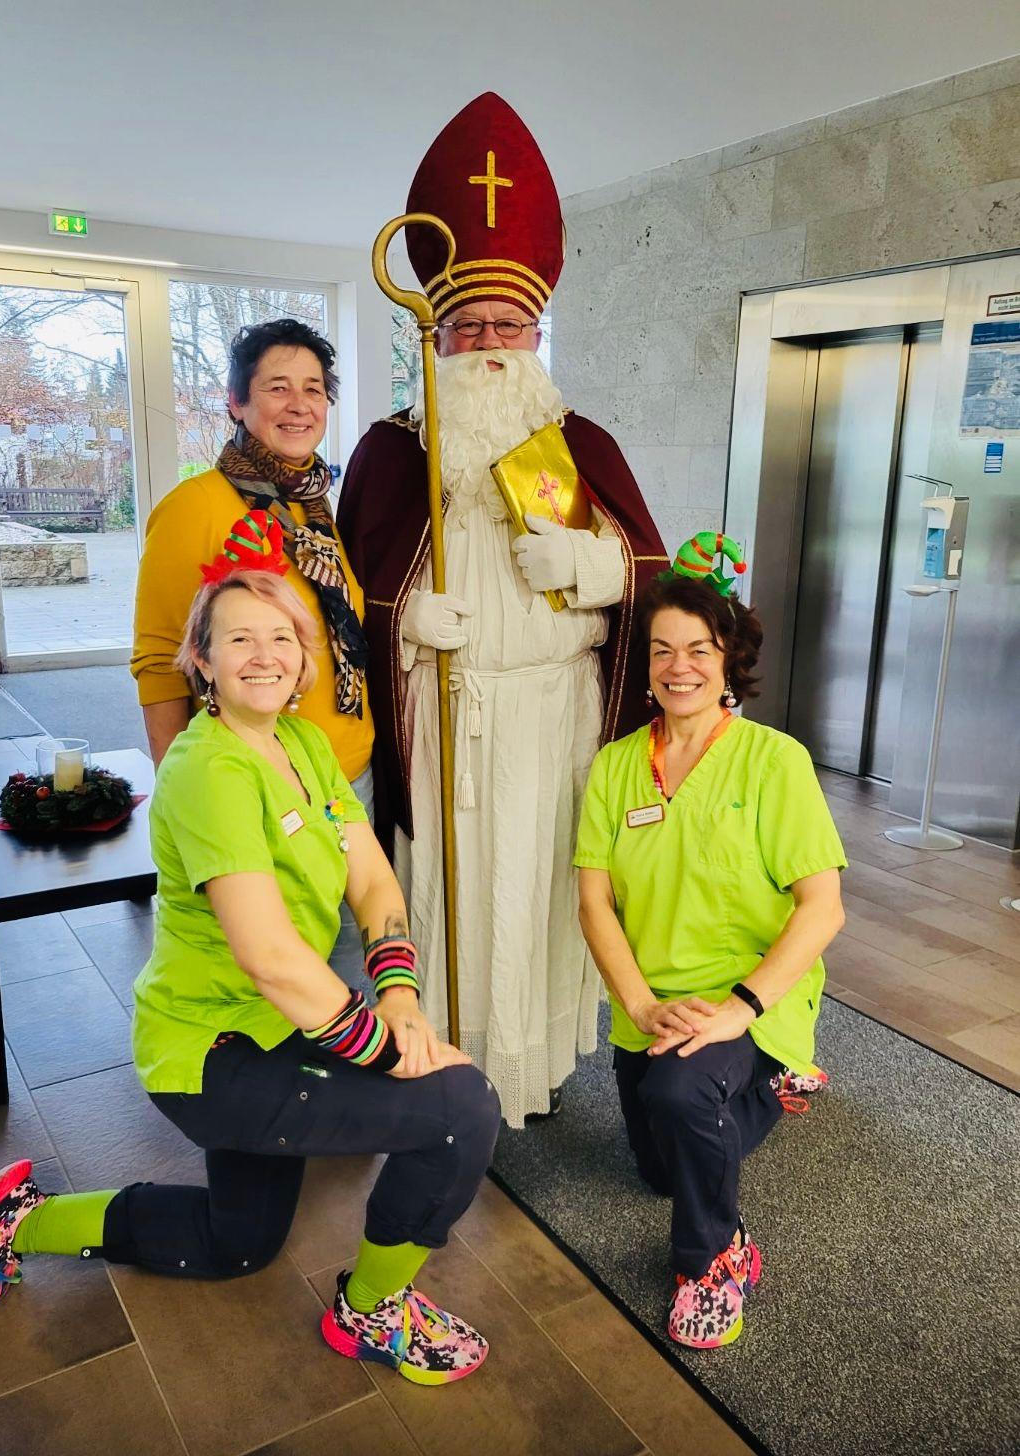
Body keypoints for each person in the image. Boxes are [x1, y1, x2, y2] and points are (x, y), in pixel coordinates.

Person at [0, 559, 499, 1387]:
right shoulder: (207, 770)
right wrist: (391, 1049)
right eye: (238, 638)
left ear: (305, 655)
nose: (264, 655)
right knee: (459, 1111)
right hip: (215, 1054)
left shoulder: (300, 743)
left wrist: (398, 991)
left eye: (282, 636)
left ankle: (17, 1221)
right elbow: (269, 957)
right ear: (202, 659)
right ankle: (369, 1310)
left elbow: (370, 878)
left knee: (237, 1245)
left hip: (286, 1024)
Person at [337, 92, 668, 1128]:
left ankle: (537, 1066)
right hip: (447, 720)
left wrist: (597, 565)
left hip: (560, 716)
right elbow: (340, 599)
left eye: (510, 326)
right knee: (456, 893)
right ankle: (446, 1059)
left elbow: (654, 569)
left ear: (536, 334)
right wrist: (400, 622)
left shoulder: (582, 444)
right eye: (468, 325)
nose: (490, 342)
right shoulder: (391, 451)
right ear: (435, 335)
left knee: (544, 891)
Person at [574, 534, 846, 1349]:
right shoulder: (616, 766)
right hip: (654, 1005)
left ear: (729, 659)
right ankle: (768, 1090)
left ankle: (713, 1256)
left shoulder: (773, 761)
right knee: (660, 1170)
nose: (678, 666)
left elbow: (822, 909)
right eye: (662, 650)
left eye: (698, 648)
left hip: (749, 995)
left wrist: (738, 1009)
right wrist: (639, 1006)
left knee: (680, 1099)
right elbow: (594, 903)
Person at [132, 316, 374, 986]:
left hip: (343, 773)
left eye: (314, 388)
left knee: (346, 962)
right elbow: (158, 660)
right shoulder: (195, 507)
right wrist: (183, 791)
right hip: (251, 781)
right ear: (237, 403)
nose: (299, 404)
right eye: (277, 387)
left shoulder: (314, 508)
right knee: (271, 972)